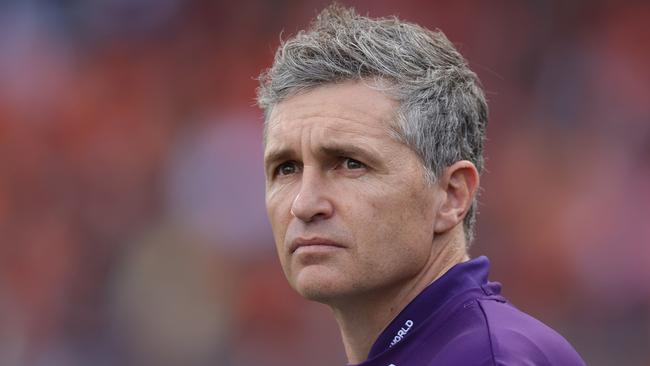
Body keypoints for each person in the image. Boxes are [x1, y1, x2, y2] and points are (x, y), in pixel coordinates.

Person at [256, 4, 586, 365]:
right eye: (287, 168)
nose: (303, 204)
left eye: (351, 164)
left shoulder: (487, 358)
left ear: (451, 195)